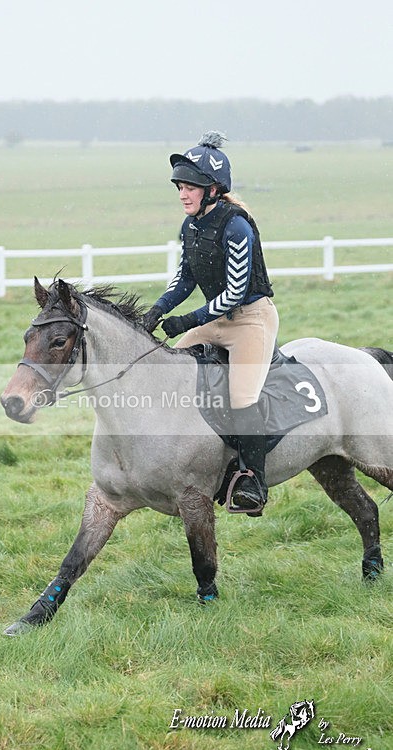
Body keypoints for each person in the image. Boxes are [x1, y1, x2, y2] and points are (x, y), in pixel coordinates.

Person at [142, 131, 279, 513]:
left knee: (242, 398)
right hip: (215, 318)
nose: (183, 194)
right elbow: (184, 280)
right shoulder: (190, 226)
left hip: (251, 320)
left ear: (214, 189)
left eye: (191, 187)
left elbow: (235, 293)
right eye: (180, 187)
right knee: (168, 370)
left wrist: (185, 319)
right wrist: (156, 311)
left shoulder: (237, 226)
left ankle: (254, 483)